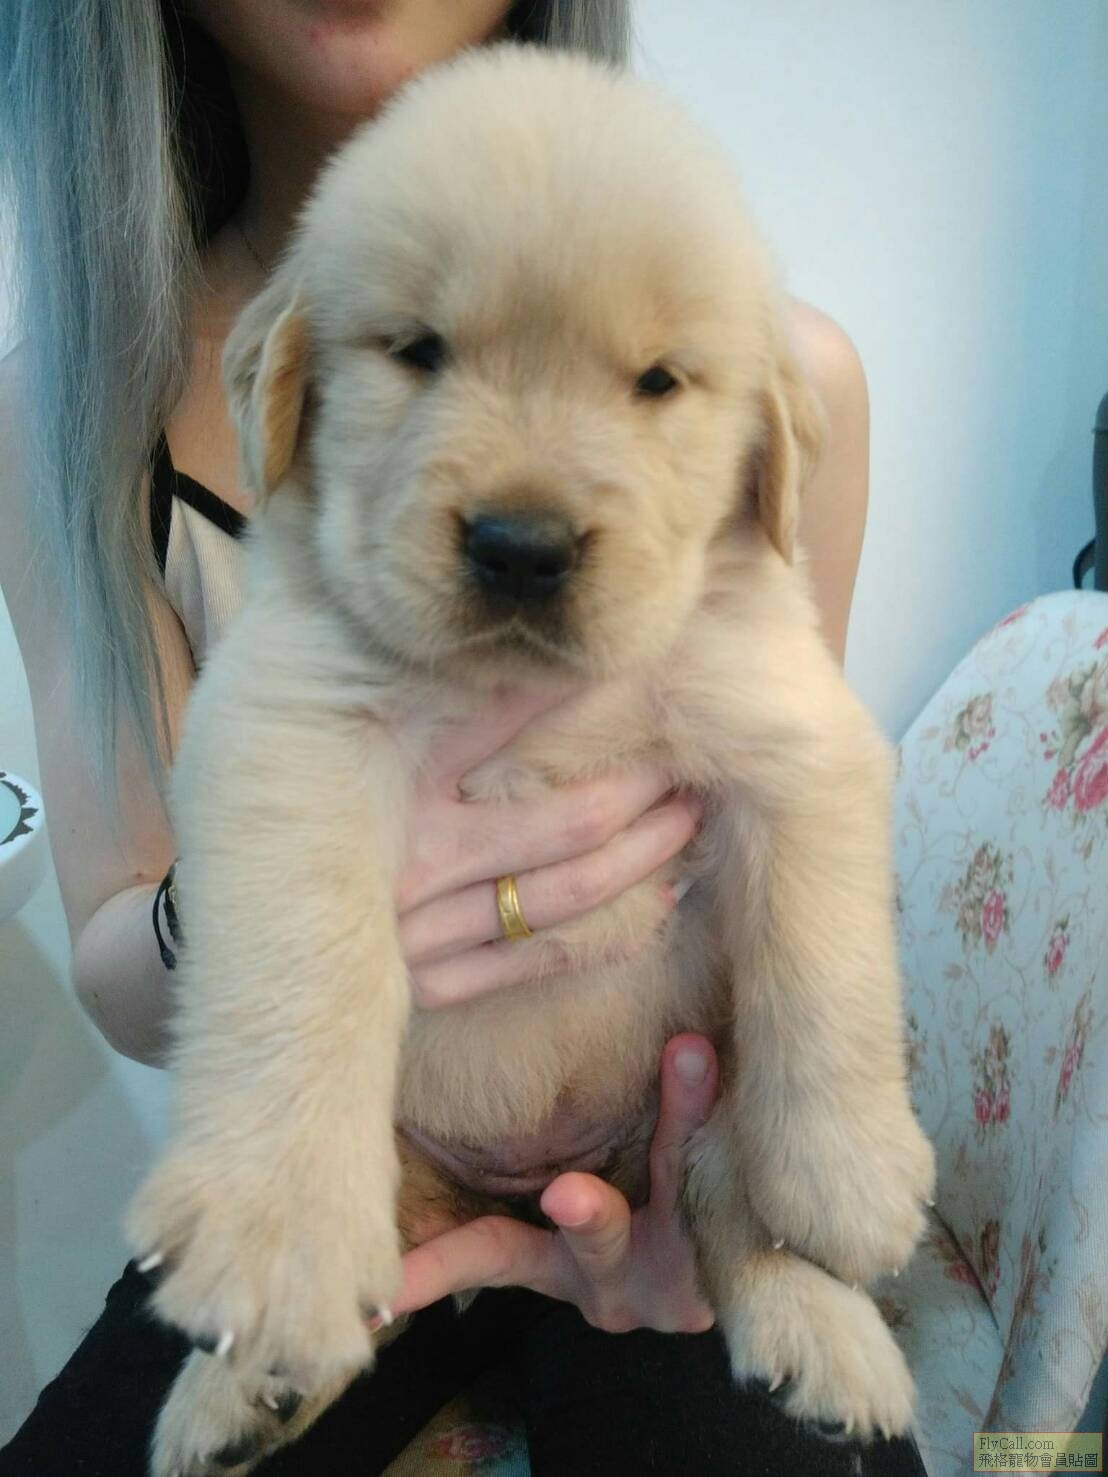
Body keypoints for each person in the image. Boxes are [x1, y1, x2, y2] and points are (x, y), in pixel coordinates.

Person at [0, 2, 925, 1473]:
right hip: (374, 1141)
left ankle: (762, 1268)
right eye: (422, 352)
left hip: (667, 1149)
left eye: (650, 383)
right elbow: (153, 907)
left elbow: (808, 813)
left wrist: (802, 1136)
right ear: (290, 382)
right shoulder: (71, 411)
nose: (527, 504)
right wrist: (317, 911)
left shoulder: (782, 378)